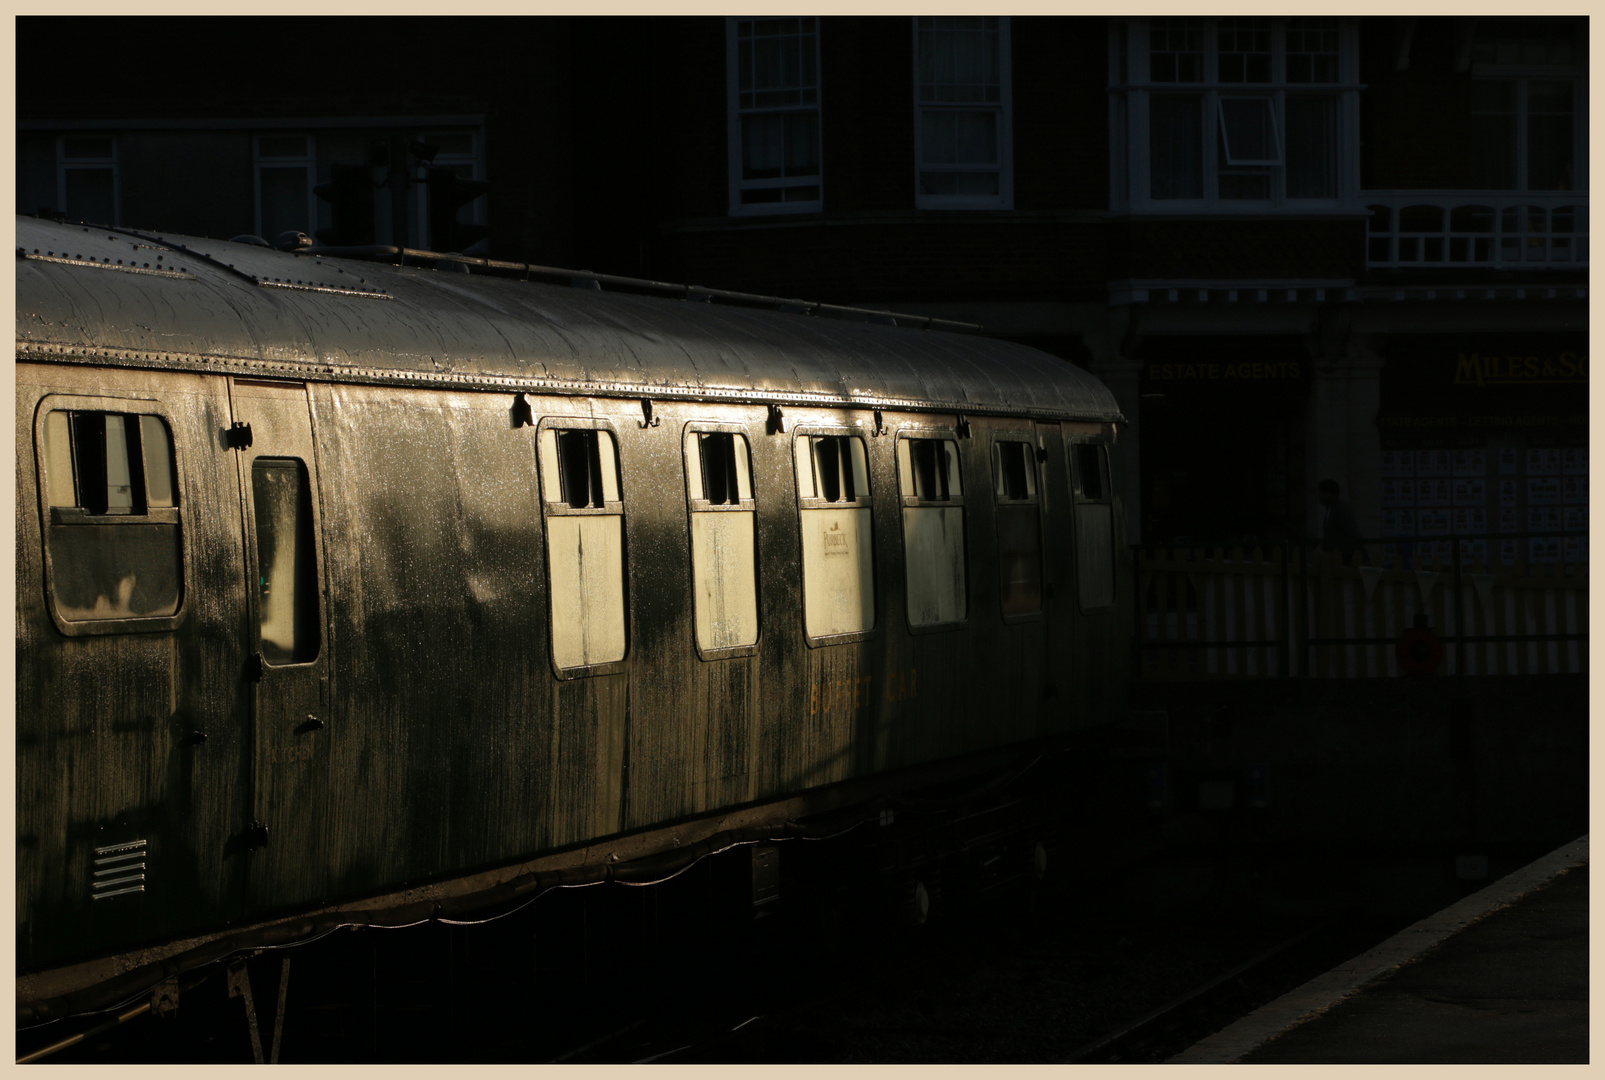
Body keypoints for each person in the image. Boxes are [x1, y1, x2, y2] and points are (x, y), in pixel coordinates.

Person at [1318, 478, 1367, 564]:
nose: (1320, 496)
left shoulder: (1340, 510)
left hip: (1344, 558)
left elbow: (1353, 532)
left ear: (1332, 493)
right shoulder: (1332, 510)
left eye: (1324, 492)